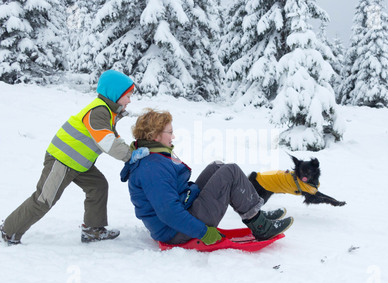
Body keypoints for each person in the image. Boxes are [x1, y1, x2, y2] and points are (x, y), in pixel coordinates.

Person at [1, 70, 138, 245]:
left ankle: (93, 230)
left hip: (79, 163)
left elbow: (114, 137)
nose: (129, 100)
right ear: (115, 94)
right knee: (44, 200)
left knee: (98, 186)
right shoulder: (98, 111)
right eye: (127, 96)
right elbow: (108, 142)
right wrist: (131, 157)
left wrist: (132, 150)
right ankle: (8, 230)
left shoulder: (108, 112)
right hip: (62, 160)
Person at [120, 109, 294, 246]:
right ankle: (259, 224)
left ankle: (256, 213)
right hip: (174, 231)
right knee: (230, 172)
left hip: (181, 213)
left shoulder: (153, 157)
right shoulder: (152, 168)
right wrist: (203, 232)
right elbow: (169, 213)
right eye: (169, 132)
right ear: (154, 136)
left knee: (216, 167)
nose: (173, 136)